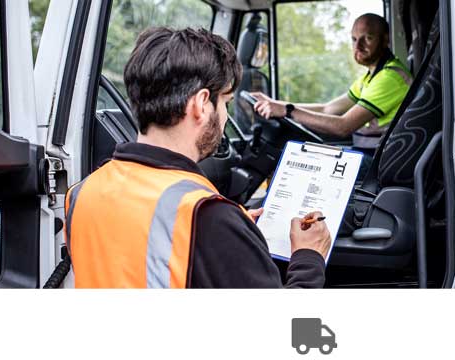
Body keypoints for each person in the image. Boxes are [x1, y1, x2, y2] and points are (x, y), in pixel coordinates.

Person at [64, 27, 331, 288]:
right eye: (225, 102)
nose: (225, 116)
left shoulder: (80, 194)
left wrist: (233, 234)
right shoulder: (209, 218)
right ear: (201, 104)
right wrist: (309, 257)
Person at [251, 13, 412, 157]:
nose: (358, 46)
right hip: (369, 153)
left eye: (367, 38)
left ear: (385, 40)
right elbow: (328, 108)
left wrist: (288, 111)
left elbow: (343, 127)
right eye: (354, 39)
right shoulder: (370, 77)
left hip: (380, 161)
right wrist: (275, 104)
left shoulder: (390, 77)